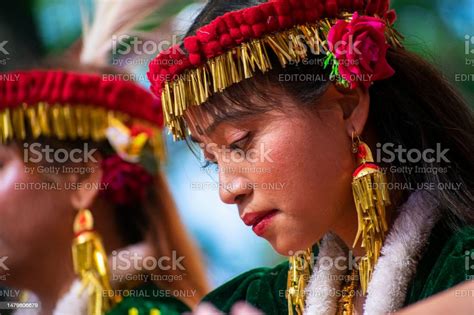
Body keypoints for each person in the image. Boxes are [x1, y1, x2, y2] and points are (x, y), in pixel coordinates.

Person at [147, 0, 474, 314]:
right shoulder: (257, 299)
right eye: (211, 160)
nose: (227, 189)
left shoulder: (461, 262)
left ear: (347, 107)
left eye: (240, 142)